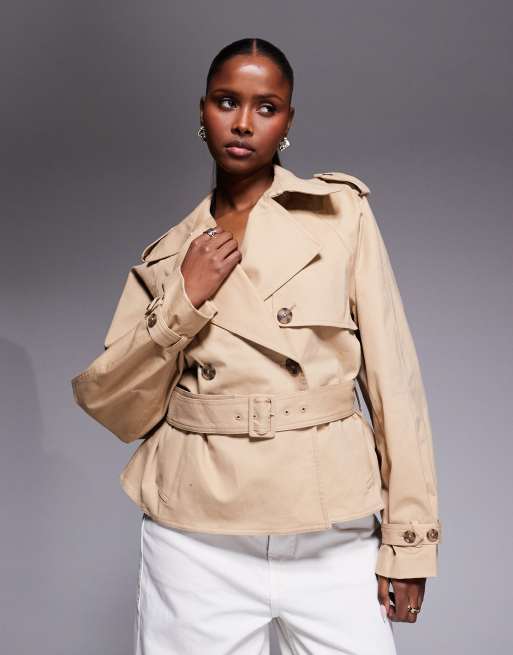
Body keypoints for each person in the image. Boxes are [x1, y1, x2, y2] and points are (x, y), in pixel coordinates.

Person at [71, 37, 442, 654]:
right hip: (196, 537)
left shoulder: (340, 216)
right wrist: (183, 301)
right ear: (202, 111)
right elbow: (115, 405)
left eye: (265, 107)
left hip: (330, 526)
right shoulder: (168, 258)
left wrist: (410, 541)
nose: (243, 122)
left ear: (288, 121)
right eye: (227, 102)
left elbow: (394, 387)